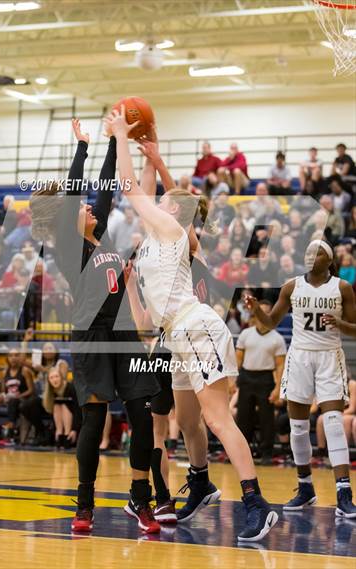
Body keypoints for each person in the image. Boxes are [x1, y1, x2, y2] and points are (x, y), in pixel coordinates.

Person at [107, 106, 278, 542]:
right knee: (187, 420)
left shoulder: (171, 228)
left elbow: (130, 190)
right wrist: (151, 155)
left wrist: (121, 138)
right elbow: (140, 188)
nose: (156, 199)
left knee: (218, 419)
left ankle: (256, 503)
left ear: (174, 211)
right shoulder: (148, 243)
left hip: (195, 326)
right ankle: (200, 482)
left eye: (164, 199)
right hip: (174, 334)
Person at [30, 119, 160, 534]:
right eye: (82, 209)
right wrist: (82, 148)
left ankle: (140, 499)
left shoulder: (98, 233)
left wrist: (110, 142)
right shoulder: (67, 244)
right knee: (95, 417)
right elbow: (75, 194)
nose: (90, 208)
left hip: (122, 332)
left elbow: (103, 188)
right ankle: (84, 503)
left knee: (141, 415)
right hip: (90, 337)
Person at [127, 136, 221, 525]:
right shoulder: (163, 247)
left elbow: (174, 206)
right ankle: (163, 496)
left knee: (191, 422)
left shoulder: (188, 240)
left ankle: (198, 480)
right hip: (169, 339)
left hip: (195, 334)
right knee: (160, 421)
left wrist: (160, 164)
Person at [245, 239, 356, 517]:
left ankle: (344, 493)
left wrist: (341, 324)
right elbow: (270, 322)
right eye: (307, 251)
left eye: (317, 252)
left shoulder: (341, 288)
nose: (310, 255)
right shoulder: (291, 286)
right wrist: (257, 309)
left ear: (329, 260)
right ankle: (305, 488)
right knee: (297, 427)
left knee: (332, 423)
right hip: (300, 356)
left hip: (329, 355)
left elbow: (355, 328)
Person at [235, 300, 287, 464]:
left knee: (267, 419)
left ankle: (266, 454)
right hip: (246, 377)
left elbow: (280, 366)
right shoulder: (245, 334)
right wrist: (231, 381)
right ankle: (242, 453)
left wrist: (278, 388)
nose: (261, 313)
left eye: (265, 311)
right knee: (243, 418)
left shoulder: (277, 338)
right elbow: (237, 360)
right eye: (259, 310)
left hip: (265, 379)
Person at [43, 366, 81, 449]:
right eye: (51, 378)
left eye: (56, 376)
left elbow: (78, 410)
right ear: (48, 380)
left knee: (64, 405)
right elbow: (50, 411)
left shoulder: (71, 388)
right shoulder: (50, 392)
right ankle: (59, 432)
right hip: (60, 422)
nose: (54, 380)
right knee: (57, 405)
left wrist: (74, 429)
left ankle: (68, 434)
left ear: (61, 377)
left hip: (76, 419)